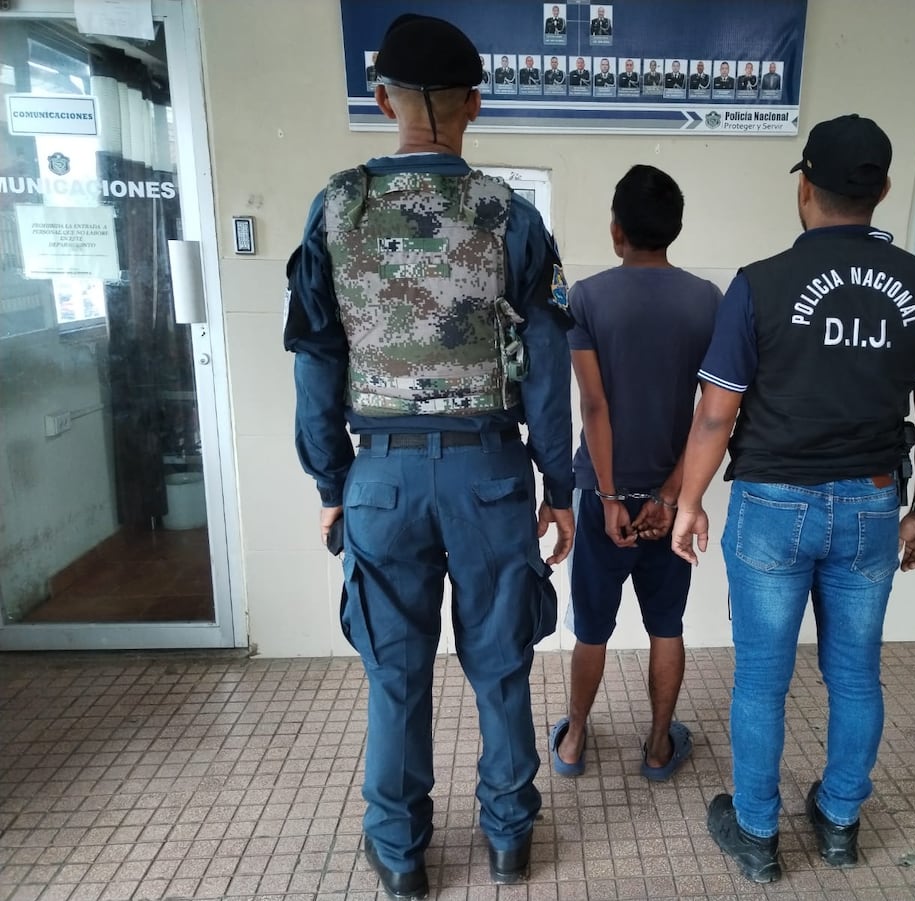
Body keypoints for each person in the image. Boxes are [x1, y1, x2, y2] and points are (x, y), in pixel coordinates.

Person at [285, 14, 576, 899]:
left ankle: (402, 854)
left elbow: (316, 359)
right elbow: (547, 366)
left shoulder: (336, 209)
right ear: (472, 105)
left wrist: (331, 482)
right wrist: (559, 485)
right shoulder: (511, 215)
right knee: (502, 665)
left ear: (383, 102)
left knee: (395, 674)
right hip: (490, 474)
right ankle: (509, 839)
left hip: (381, 475)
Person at [671, 114, 915, 883]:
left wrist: (689, 500)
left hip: (772, 503)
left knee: (762, 679)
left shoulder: (759, 284)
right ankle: (838, 823)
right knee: (856, 673)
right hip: (872, 503)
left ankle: (757, 834)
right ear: (884, 189)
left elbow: (715, 413)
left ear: (806, 188)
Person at [550, 165, 721, 784]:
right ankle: (656, 746)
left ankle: (574, 741)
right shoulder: (707, 300)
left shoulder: (587, 298)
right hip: (671, 500)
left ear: (616, 230)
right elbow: (712, 410)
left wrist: (608, 496)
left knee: (592, 629)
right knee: (666, 626)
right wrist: (672, 495)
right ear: (675, 229)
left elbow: (594, 406)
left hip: (603, 495)